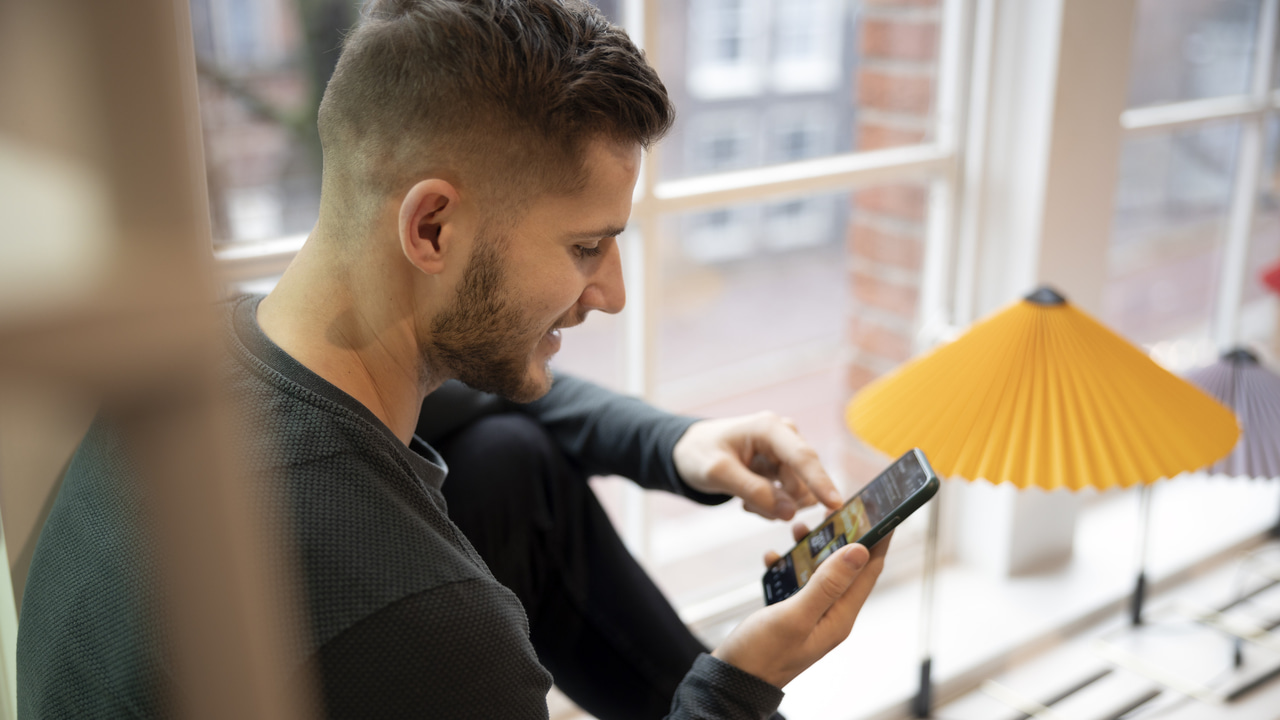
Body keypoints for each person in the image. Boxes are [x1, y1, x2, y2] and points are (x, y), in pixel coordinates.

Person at [17, 1, 889, 718]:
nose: (613, 292)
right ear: (431, 227)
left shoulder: (211, 350)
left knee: (510, 460)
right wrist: (737, 686)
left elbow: (482, 406)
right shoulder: (429, 624)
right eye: (588, 245)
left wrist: (674, 446)